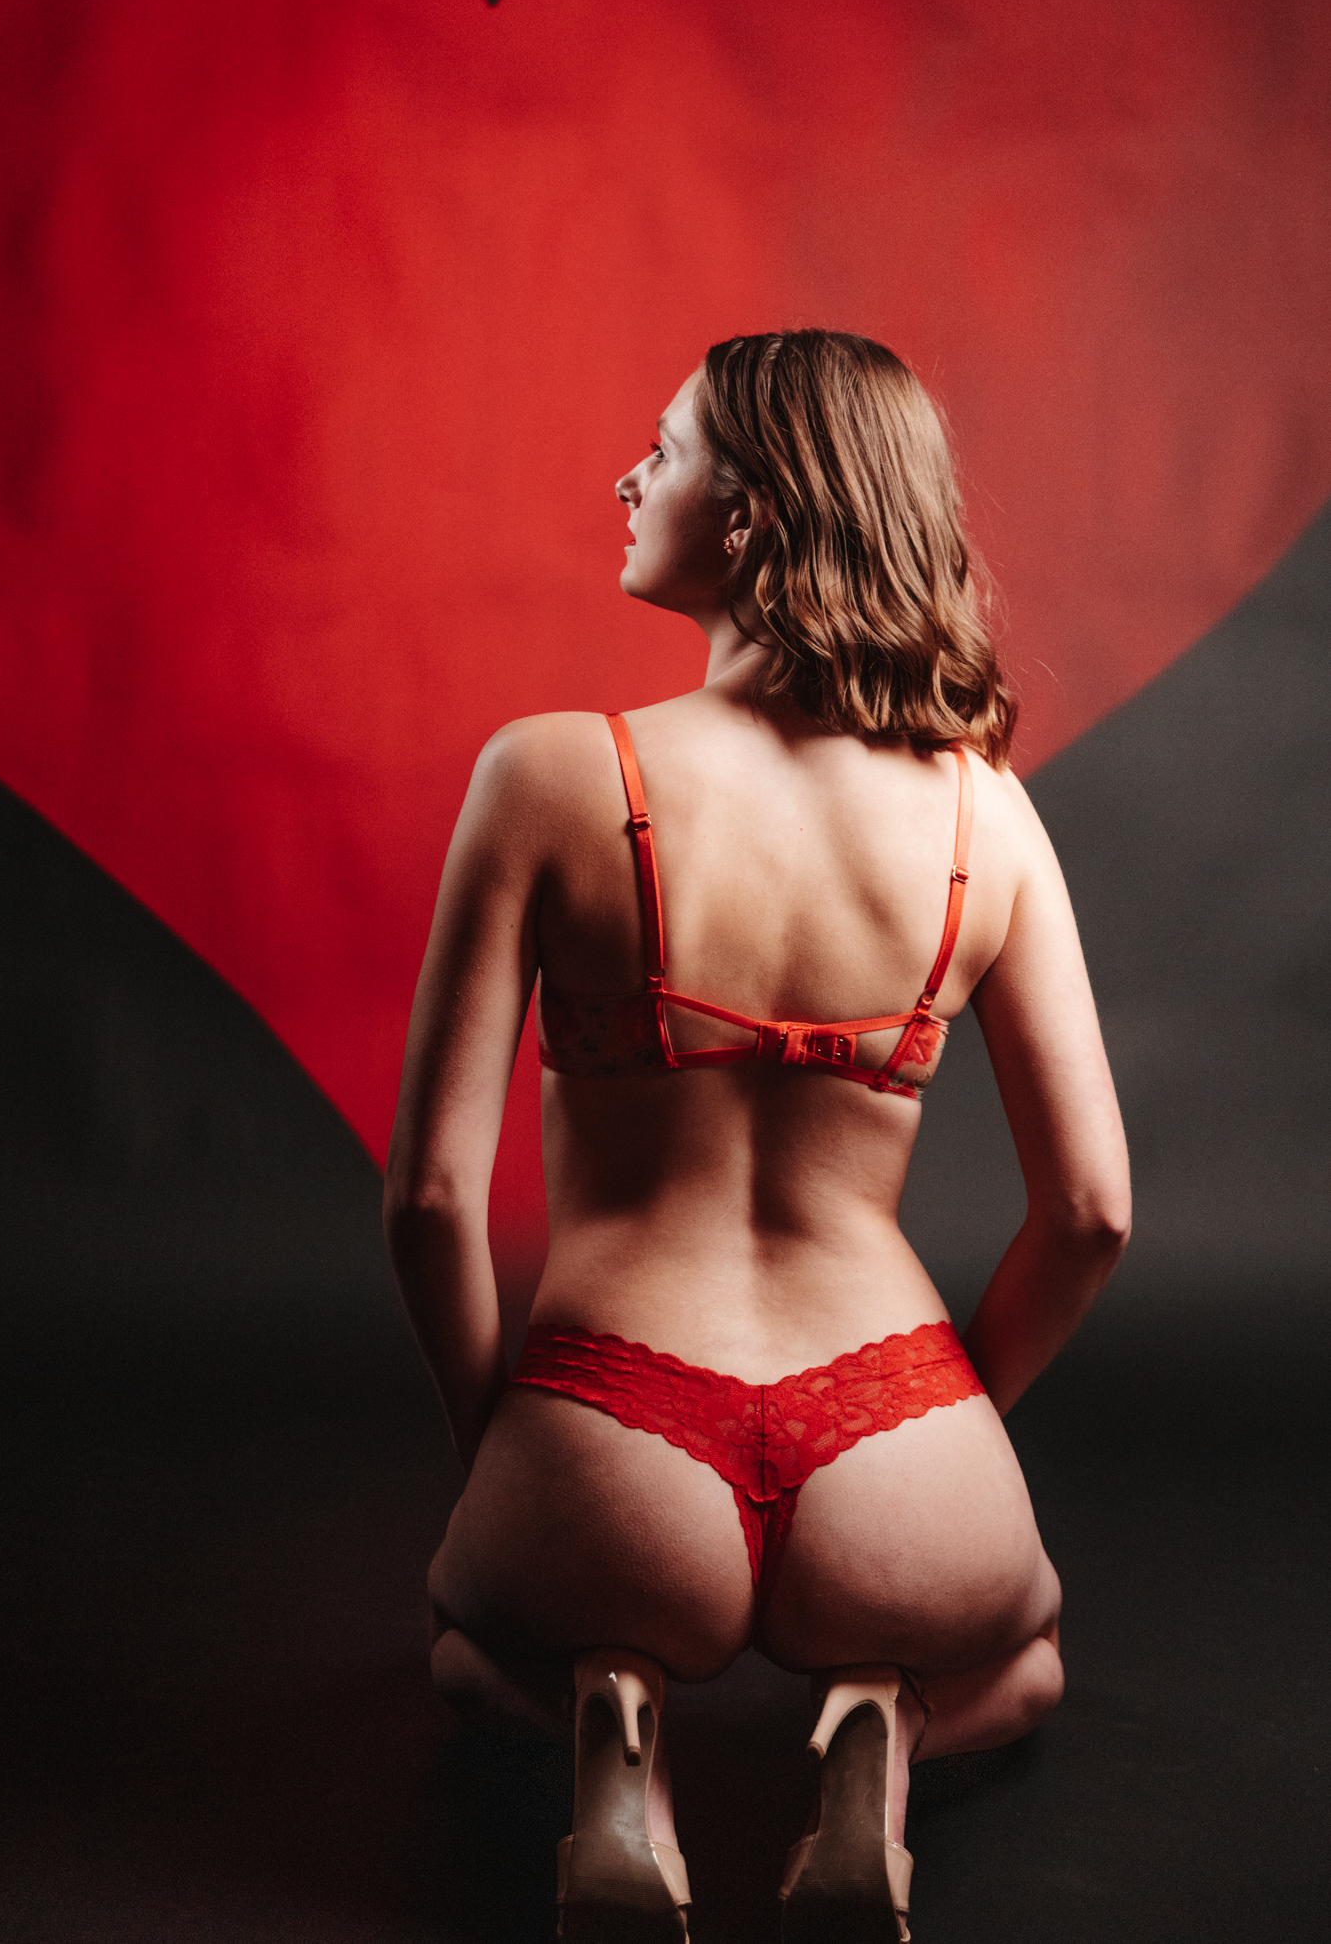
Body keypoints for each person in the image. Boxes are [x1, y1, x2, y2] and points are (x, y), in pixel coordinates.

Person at [384, 330, 1130, 1941]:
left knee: (471, 1644)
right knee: (1022, 1664)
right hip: (896, 1422)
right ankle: (884, 1731)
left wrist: (500, 1445)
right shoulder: (984, 814)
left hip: (612, 1416)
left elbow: (432, 1197)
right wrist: (955, 1424)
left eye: (663, 451)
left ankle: (617, 1728)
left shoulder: (551, 774)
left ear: (754, 513)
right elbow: (1092, 1213)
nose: (627, 478)